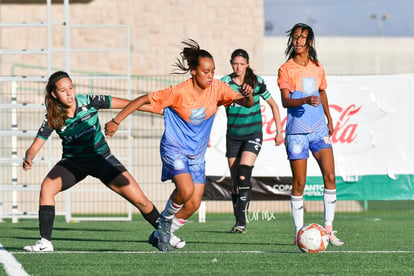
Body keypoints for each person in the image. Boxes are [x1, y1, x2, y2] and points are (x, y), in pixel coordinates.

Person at [105, 39, 254, 251]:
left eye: (213, 71)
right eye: (206, 71)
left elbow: (245, 102)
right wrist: (116, 121)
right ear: (193, 71)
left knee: (193, 203)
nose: (211, 75)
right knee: (185, 191)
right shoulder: (178, 92)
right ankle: (164, 221)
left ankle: (160, 233)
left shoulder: (218, 88)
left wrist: (248, 96)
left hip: (197, 155)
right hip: (174, 148)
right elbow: (141, 100)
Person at [22, 71, 165, 252]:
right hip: (73, 163)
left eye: (71, 88)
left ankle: (164, 233)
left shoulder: (89, 101)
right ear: (54, 94)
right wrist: (29, 158)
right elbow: (35, 146)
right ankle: (45, 242)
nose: (69, 94)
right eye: (63, 90)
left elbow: (129, 105)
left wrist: (159, 111)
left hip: (102, 159)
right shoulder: (52, 116)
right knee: (47, 188)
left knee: (141, 200)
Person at [277, 23, 344, 246]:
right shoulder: (285, 69)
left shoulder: (318, 67)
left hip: (319, 131)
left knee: (330, 177)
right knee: (299, 183)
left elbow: (322, 91)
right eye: (295, 37)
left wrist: (329, 117)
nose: (298, 41)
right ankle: (298, 233)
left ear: (310, 42)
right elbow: (286, 101)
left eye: (302, 38)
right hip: (296, 133)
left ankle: (329, 229)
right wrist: (305, 100)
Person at [220, 49, 284, 234]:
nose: (238, 67)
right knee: (234, 182)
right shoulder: (224, 83)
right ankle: (238, 220)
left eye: (242, 63)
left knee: (243, 175)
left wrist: (279, 131)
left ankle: (242, 224)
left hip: (252, 134)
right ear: (231, 63)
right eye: (235, 63)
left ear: (247, 64)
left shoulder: (256, 82)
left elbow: (273, 105)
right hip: (233, 136)